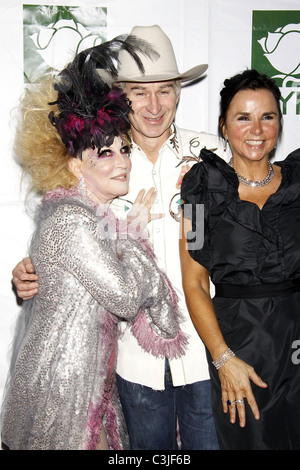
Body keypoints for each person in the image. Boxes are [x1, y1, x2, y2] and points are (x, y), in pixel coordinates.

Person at [11, 25, 231, 450]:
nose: (154, 105)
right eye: (140, 92)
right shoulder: (100, 156)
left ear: (180, 93)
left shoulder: (212, 154)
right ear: (121, 95)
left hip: (205, 354)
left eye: (165, 90)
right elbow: (67, 233)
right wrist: (29, 269)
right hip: (133, 361)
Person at [180, 68, 300, 450]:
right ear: (224, 125)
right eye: (243, 117)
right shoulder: (201, 188)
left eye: (267, 116)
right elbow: (194, 281)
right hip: (241, 355)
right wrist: (223, 358)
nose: (257, 129)